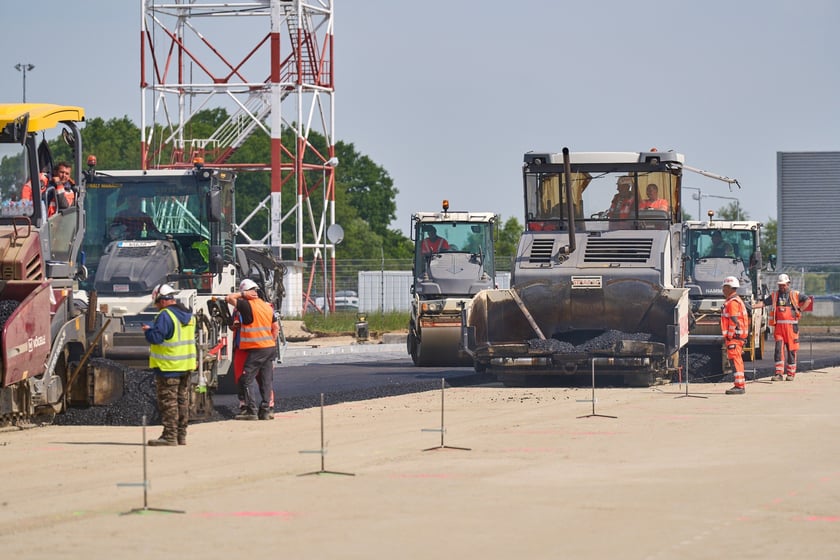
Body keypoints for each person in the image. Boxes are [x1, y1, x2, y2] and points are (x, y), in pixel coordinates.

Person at [142, 283, 196, 446]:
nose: (157, 307)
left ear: (163, 300)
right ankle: (181, 435)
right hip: (186, 365)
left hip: (169, 366)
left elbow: (157, 338)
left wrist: (148, 331)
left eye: (157, 303)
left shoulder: (165, 315)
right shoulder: (188, 315)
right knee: (182, 401)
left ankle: (170, 436)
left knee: (169, 402)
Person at [226, 278, 279, 420]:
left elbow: (229, 298)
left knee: (246, 378)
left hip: (255, 348)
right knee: (266, 380)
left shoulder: (246, 305)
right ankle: (266, 410)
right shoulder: (266, 306)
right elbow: (275, 327)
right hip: (268, 347)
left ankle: (251, 410)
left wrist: (243, 294)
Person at [764, 273, 812, 381]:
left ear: (788, 284)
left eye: (783, 285)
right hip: (779, 328)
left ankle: (791, 374)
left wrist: (800, 310)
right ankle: (779, 374)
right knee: (778, 350)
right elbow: (763, 303)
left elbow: (808, 300)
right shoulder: (775, 295)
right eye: (780, 285)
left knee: (791, 350)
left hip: (791, 328)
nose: (781, 287)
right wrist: (751, 306)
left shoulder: (794, 294)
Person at [721, 275, 749, 395]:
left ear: (729, 288)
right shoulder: (735, 300)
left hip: (734, 337)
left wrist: (730, 335)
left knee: (735, 360)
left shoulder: (732, 302)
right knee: (737, 360)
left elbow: (733, 320)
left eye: (724, 287)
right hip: (737, 336)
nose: (723, 290)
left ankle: (739, 385)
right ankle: (739, 384)